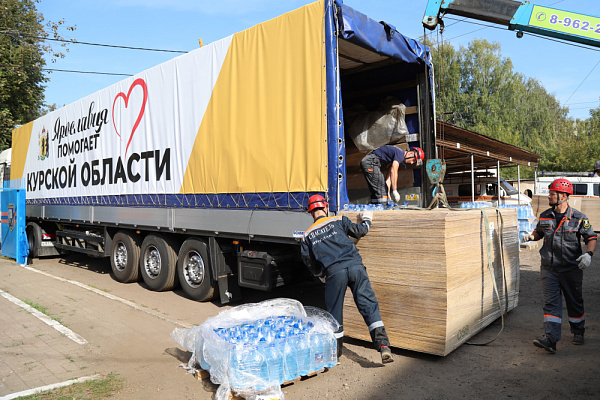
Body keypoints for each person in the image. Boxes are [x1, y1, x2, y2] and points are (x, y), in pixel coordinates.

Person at [300, 194, 393, 364]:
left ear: (310, 212)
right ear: (325, 208)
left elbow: (309, 262)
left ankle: (336, 354)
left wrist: (321, 275)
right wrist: (367, 219)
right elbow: (360, 231)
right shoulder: (339, 220)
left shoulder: (307, 236)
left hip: (334, 273)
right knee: (369, 306)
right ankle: (383, 346)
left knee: (334, 313)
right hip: (356, 267)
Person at [521, 178, 597, 353]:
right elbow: (539, 232)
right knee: (551, 303)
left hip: (572, 269)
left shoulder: (579, 218)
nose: (549, 196)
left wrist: (589, 254)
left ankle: (578, 331)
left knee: (574, 301)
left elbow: (591, 238)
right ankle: (551, 339)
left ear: (563, 196)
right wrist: (531, 237)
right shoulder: (545, 216)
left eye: (552, 193)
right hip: (549, 269)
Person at [360, 145, 425, 204]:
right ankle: (383, 209)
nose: (411, 163)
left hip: (369, 163)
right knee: (380, 186)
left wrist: (388, 194)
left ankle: (374, 206)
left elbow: (389, 178)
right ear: (410, 153)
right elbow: (394, 171)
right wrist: (395, 191)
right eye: (413, 160)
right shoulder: (400, 154)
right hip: (370, 162)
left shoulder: (395, 157)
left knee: (380, 188)